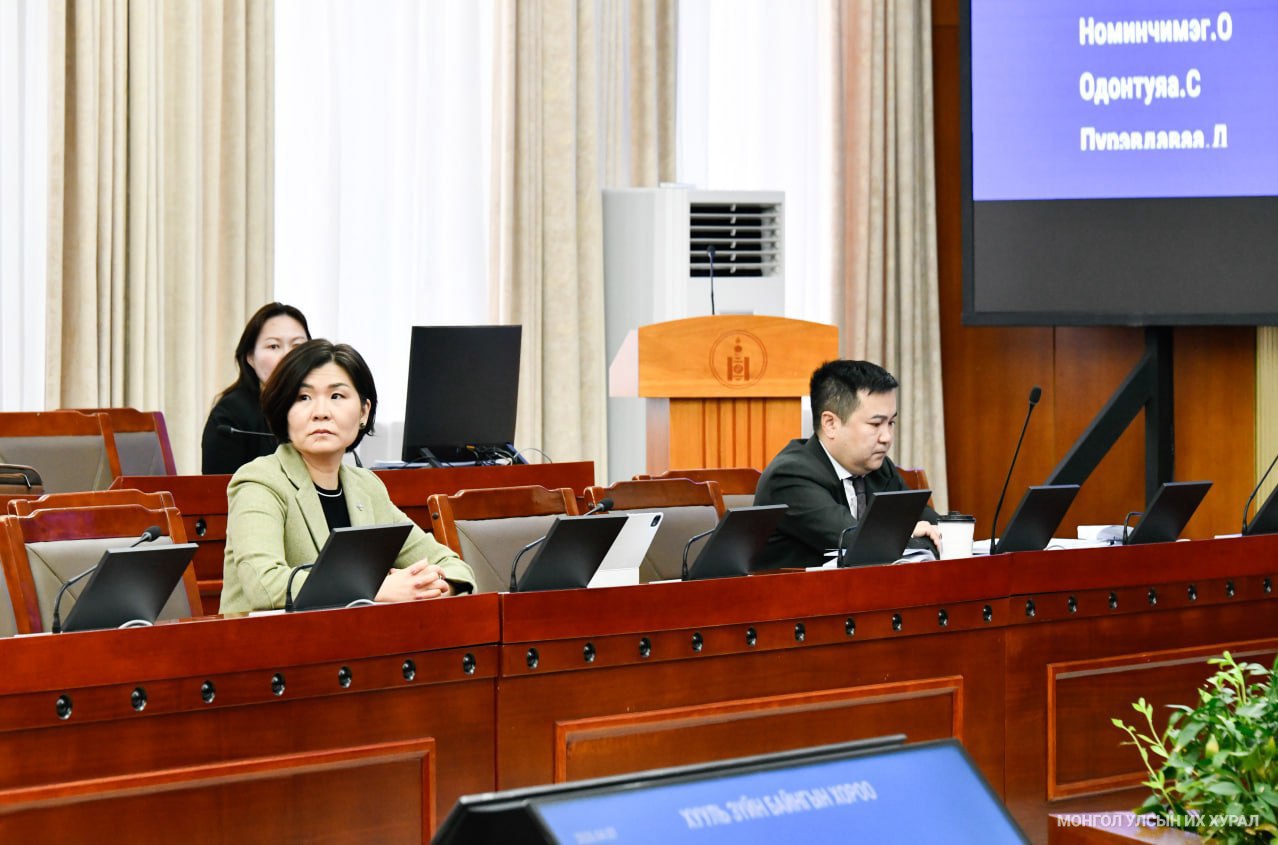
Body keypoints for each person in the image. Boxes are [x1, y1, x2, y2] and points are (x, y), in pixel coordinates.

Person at [221, 339, 475, 613]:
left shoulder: (367, 487)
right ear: (284, 412)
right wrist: (374, 591)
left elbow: (453, 567)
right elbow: (264, 586)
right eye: (303, 398)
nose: (321, 413)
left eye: (336, 396)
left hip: (351, 637)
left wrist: (431, 587)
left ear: (364, 411)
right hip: (264, 638)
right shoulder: (259, 482)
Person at [753, 359, 941, 568]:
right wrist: (910, 533)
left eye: (891, 423)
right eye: (876, 424)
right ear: (830, 424)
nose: (887, 437)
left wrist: (925, 534)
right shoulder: (790, 476)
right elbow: (859, 543)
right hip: (794, 588)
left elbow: (937, 528)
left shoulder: (878, 468)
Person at [201, 302, 312, 475]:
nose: (287, 356)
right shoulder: (230, 415)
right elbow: (219, 487)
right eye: (273, 346)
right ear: (251, 357)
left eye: (297, 346)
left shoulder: (318, 409)